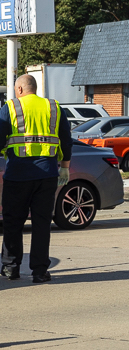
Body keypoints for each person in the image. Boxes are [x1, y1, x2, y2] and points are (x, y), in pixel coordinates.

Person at [0, 75, 72, 283]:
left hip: (18, 175)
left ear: (20, 89)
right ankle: (40, 271)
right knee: (42, 223)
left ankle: (11, 267)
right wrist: (65, 167)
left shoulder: (11, 107)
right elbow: (66, 140)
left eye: (15, 89)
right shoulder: (54, 107)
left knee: (13, 222)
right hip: (47, 175)